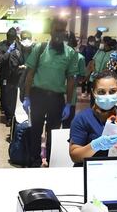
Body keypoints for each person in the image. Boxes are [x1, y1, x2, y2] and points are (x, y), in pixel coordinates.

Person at [22, 18, 80, 167]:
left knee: (53, 132)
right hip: (38, 96)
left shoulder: (70, 54)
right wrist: (27, 96)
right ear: (51, 30)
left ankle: (51, 159)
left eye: (63, 30)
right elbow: (30, 73)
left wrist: (69, 103)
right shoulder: (40, 48)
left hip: (56, 99)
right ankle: (34, 161)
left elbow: (71, 80)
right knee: (35, 129)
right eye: (57, 30)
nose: (59, 34)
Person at [69, 71, 117, 164]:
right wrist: (94, 146)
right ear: (93, 92)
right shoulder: (82, 119)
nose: (107, 96)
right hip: (93, 170)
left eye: (112, 91)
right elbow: (74, 156)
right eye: (101, 92)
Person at [0, 28, 23, 124]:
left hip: (16, 75)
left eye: (13, 38)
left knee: (14, 96)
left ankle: (13, 115)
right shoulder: (2, 46)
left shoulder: (19, 46)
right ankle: (9, 117)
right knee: (6, 96)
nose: (11, 40)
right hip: (5, 75)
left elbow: (23, 58)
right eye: (10, 38)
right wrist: (8, 52)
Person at [64, 33, 86, 128]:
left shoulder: (80, 58)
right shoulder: (59, 57)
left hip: (70, 97)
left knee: (67, 126)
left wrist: (74, 79)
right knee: (53, 126)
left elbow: (82, 77)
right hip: (56, 96)